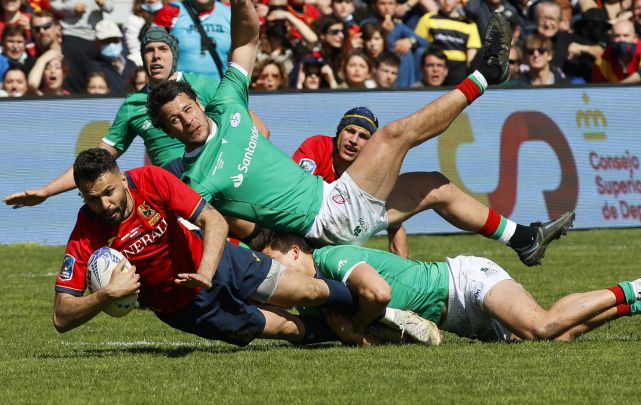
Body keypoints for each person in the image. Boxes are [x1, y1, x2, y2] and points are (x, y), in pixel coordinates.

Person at [148, 11, 575, 267]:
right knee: (395, 135)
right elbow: (196, 226)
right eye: (174, 121)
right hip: (324, 221)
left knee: (433, 185)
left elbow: (247, 39)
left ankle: (524, 239)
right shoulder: (195, 176)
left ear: (199, 104)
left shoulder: (227, 103)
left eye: (187, 109)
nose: (185, 121)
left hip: (338, 208)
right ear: (168, 131)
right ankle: (485, 76)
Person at [54, 148, 439, 346]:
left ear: (122, 178)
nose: (104, 204)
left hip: (220, 263)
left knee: (309, 289)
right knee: (292, 330)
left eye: (108, 192)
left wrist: (206, 270)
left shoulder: (151, 179)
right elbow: (61, 316)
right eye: (92, 198)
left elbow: (214, 220)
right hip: (187, 309)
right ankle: (352, 332)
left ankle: (389, 315)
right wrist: (106, 294)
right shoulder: (85, 231)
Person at [3, 27, 269, 241]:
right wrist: (46, 191)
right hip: (172, 186)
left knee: (250, 237)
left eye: (162, 49)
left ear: (173, 55)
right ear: (142, 58)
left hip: (214, 171)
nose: (156, 56)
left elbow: (259, 130)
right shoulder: (133, 104)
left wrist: (237, 168)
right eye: (149, 50)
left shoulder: (203, 86)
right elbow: (99, 159)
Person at [252, 229, 641, 346]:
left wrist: (355, 330)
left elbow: (378, 295)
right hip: (458, 318)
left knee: (541, 326)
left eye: (276, 265)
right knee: (558, 336)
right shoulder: (314, 297)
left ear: (294, 249)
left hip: (463, 282)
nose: (280, 280)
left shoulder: (332, 257)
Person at [293, 107, 410, 258]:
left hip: (336, 245)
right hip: (298, 231)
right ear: (339, 132)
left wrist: (401, 269)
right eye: (350, 131)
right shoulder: (316, 146)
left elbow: (396, 225)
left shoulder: (373, 172)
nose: (353, 140)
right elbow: (294, 194)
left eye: (363, 136)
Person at [153, 0, 232, 80]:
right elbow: (151, 49)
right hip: (180, 88)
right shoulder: (171, 10)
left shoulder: (230, 13)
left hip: (219, 87)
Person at [50, 0, 113, 93]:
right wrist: (72, 9)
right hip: (72, 35)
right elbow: (53, 4)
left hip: (94, 38)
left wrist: (103, 3)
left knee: (93, 81)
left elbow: (111, 7)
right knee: (72, 79)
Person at [414, 0, 481, 84]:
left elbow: (471, 56)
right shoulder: (428, 18)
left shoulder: (469, 24)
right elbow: (418, 41)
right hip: (436, 64)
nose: (446, 2)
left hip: (458, 68)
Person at [591, 19, 641, 84]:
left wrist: (621, 87)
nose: (621, 39)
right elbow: (598, 86)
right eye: (617, 36)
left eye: (626, 36)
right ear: (611, 38)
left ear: (635, 38)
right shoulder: (603, 59)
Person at [87, 20, 136, 97]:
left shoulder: (131, 64)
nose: (111, 44)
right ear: (97, 42)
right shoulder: (94, 67)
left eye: (115, 40)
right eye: (106, 41)